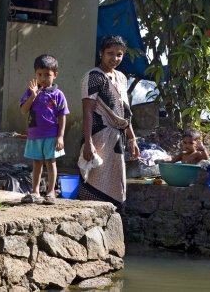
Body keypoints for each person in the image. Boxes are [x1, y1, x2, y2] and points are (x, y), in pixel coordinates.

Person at [79, 35, 140, 208]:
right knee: (95, 180)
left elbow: (125, 112)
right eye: (110, 53)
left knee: (114, 181)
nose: (114, 58)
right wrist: (88, 143)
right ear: (101, 53)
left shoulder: (121, 78)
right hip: (99, 137)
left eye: (119, 54)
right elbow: (87, 112)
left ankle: (110, 220)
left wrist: (132, 138)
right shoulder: (93, 77)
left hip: (116, 139)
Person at [19, 54, 70, 205]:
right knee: (37, 163)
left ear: (55, 75)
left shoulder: (58, 95)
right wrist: (33, 96)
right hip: (35, 135)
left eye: (47, 75)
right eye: (39, 74)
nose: (43, 78)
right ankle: (35, 191)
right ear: (35, 74)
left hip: (51, 136)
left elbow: (62, 116)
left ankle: (50, 192)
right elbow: (23, 110)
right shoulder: (31, 92)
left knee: (51, 162)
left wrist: (60, 137)